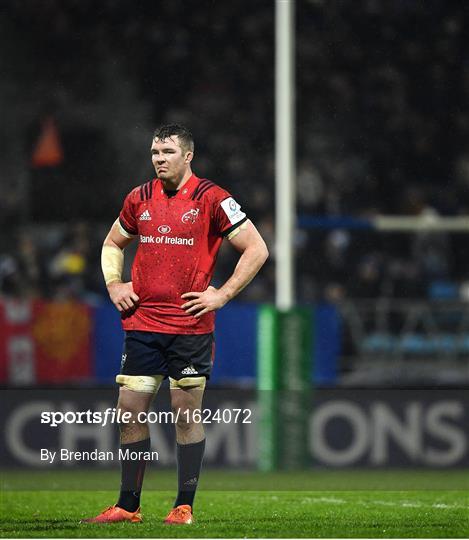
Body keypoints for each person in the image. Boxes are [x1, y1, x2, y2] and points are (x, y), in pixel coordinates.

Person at [82, 124, 268, 525]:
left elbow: (257, 248)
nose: (158, 159)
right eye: (154, 152)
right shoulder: (139, 197)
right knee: (129, 411)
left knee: (185, 413)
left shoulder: (213, 199)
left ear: (188, 157)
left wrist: (222, 294)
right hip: (143, 324)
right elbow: (112, 243)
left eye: (166, 152)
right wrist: (114, 284)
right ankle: (128, 506)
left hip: (190, 328)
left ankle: (184, 506)